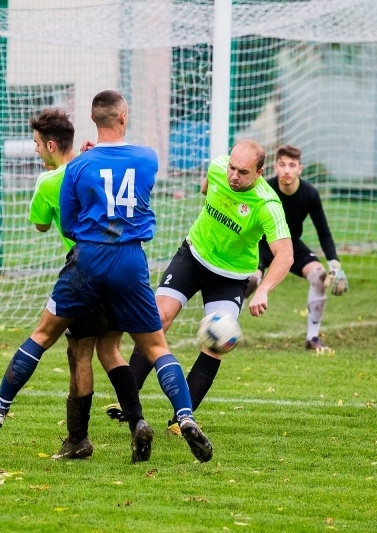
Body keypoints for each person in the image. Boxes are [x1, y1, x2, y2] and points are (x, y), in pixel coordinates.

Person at [0, 90, 213, 463]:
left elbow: (70, 225)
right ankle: (184, 416)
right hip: (130, 261)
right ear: (123, 117)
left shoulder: (76, 168)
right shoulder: (147, 158)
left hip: (87, 261)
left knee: (47, 336)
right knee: (153, 347)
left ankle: (1, 406)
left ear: (93, 121)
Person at [0, 107, 148, 462]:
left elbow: (42, 226)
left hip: (84, 270)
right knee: (112, 351)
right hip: (121, 267)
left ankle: (24, 416)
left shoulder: (51, 181)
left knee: (71, 351)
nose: (35, 151)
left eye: (37, 145)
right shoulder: (94, 163)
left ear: (52, 144)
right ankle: (137, 422)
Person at [107, 139, 294, 434]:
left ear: (259, 173)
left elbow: (285, 254)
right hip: (192, 258)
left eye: (243, 172)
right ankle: (129, 403)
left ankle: (182, 420)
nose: (233, 175)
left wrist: (263, 290)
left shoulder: (268, 205)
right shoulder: (218, 168)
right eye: (232, 167)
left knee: (217, 343)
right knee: (155, 321)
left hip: (230, 277)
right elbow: (207, 188)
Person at [245, 144, 347, 352]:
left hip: (290, 245)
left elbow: (324, 232)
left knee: (319, 276)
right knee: (251, 281)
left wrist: (334, 264)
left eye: (292, 165)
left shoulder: (310, 193)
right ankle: (222, 324)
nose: (287, 170)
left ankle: (313, 337)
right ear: (275, 167)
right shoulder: (264, 188)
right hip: (262, 244)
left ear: (300, 168)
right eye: (282, 165)